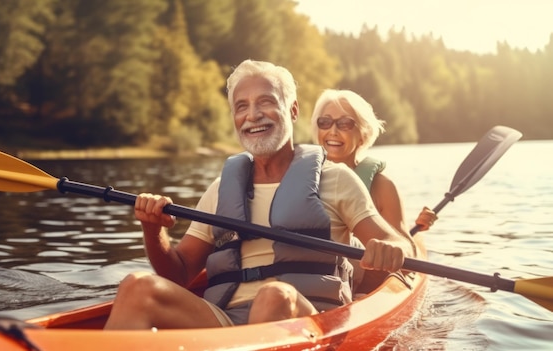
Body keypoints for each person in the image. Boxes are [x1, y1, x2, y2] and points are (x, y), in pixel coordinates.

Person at [104, 60, 419, 330]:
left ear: (292, 110)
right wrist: (152, 229)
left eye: (266, 102)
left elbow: (401, 246)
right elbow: (179, 272)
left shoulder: (336, 179)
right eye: (242, 106)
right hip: (225, 320)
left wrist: (390, 248)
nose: (252, 115)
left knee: (273, 296)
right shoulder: (220, 189)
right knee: (136, 286)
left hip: (309, 318)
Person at [309, 89, 437, 236]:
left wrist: (414, 231)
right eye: (325, 122)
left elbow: (404, 247)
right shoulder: (302, 177)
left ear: (363, 135)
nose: (333, 131)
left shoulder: (383, 188)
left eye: (345, 123)